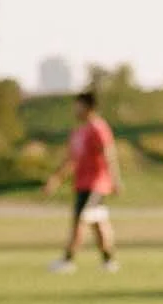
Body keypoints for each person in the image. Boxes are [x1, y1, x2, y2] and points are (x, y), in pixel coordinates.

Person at [43, 89, 120, 272]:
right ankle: (109, 261)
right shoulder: (79, 132)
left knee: (81, 220)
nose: (75, 110)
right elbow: (71, 160)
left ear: (88, 107)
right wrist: (56, 180)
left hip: (96, 184)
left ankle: (68, 260)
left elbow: (108, 154)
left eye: (78, 106)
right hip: (82, 184)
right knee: (98, 222)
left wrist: (115, 179)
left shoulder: (98, 128)